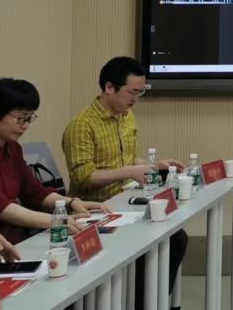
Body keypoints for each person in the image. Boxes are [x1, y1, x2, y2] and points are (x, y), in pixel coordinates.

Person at [62, 57, 187, 310]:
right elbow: (83, 177)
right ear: (109, 87)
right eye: (132, 92)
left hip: (126, 204)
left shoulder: (127, 117)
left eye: (141, 92)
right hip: (95, 211)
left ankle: (152, 303)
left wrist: (156, 165)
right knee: (148, 247)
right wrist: (130, 171)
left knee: (175, 239)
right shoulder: (81, 125)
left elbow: (129, 159)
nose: (136, 99)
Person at [0, 79, 108, 248]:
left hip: (17, 241)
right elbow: (1, 208)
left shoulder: (13, 148)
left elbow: (36, 193)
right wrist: (57, 220)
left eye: (29, 118)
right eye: (20, 119)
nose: (25, 126)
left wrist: (72, 202)